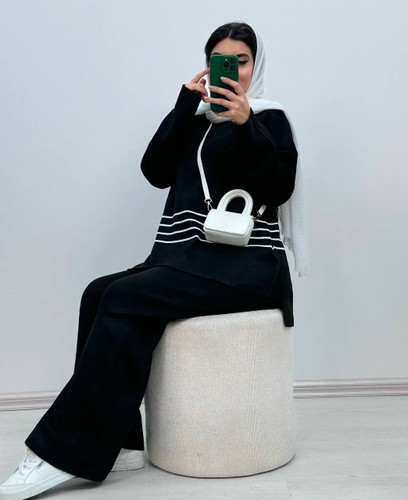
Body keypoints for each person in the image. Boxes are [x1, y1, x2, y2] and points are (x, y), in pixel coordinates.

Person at [0, 21, 305, 500]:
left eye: (241, 61)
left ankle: (62, 454)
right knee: (97, 293)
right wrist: (184, 105)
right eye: (219, 61)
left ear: (256, 65)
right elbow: (154, 171)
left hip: (249, 267)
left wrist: (247, 125)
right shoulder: (195, 120)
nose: (232, 71)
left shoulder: (270, 119)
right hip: (188, 260)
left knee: (124, 296)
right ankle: (123, 444)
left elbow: (279, 187)